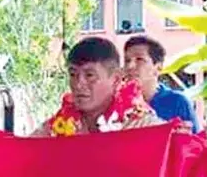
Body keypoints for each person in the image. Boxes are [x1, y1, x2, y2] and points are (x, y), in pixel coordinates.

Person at [32, 36, 161, 137]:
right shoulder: (59, 124)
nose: (79, 84)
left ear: (116, 79)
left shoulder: (142, 126)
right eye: (73, 74)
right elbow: (27, 149)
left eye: (89, 75)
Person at [123, 35, 202, 134]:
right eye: (127, 60)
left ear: (158, 68)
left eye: (139, 60)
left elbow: (197, 145)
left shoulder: (178, 102)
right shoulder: (116, 102)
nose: (130, 66)